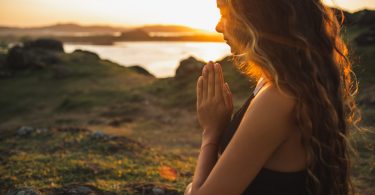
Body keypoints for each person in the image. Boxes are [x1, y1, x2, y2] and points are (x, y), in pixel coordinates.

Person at [184, 0, 362, 194]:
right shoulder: (280, 84)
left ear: (258, 17)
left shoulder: (279, 98)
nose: (218, 26)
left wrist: (211, 131)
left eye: (225, 14)